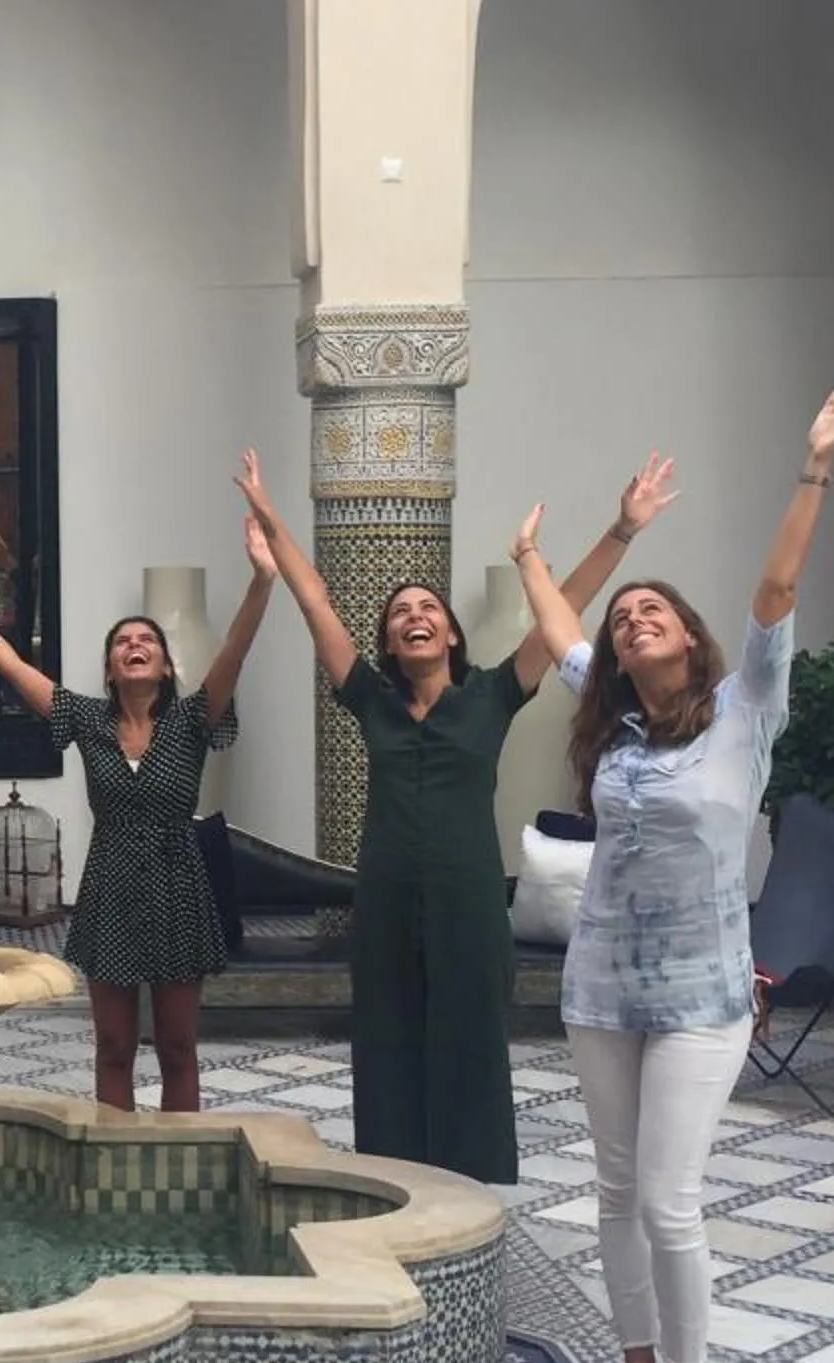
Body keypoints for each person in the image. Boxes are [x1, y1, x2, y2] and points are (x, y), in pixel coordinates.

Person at [515, 385, 834, 1363]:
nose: (634, 621)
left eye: (654, 611)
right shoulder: (618, 725)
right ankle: (632, 1362)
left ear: (690, 635)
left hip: (705, 995)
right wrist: (534, 563)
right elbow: (557, 635)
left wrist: (814, 465)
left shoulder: (743, 713)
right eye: (626, 619)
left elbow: (775, 587)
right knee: (616, 1188)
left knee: (672, 1198)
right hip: (601, 987)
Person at [240, 452, 677, 1185]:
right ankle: (394, 1182)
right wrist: (269, 516)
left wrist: (622, 530)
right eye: (400, 614)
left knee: (470, 1042)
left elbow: (562, 607)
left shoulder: (493, 695)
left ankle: (471, 1190)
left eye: (428, 611)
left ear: (450, 637)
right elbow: (315, 600)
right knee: (386, 1038)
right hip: (384, 901)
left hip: (469, 902)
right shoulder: (369, 699)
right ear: (387, 644)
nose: (415, 618)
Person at [0, 470, 279, 1110]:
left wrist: (263, 579)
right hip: (111, 884)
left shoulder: (193, 717)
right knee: (113, 1046)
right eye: (123, 643)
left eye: (147, 641)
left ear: (168, 665)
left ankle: (181, 1165)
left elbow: (235, 648)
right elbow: (12, 667)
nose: (135, 647)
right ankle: (114, 1165)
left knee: (177, 1046)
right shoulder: (87, 719)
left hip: (180, 885)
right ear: (111, 668)